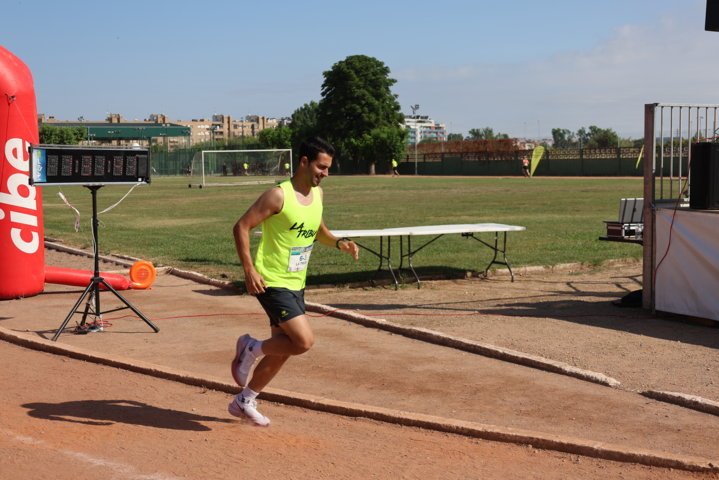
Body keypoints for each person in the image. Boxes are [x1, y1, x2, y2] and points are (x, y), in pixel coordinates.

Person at [230, 137, 359, 426]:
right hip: (271, 280)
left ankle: (245, 400)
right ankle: (250, 348)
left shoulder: (318, 195)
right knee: (303, 341)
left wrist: (339, 243)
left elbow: (318, 231)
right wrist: (249, 270)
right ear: (303, 162)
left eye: (328, 168)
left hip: (296, 282)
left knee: (283, 348)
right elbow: (241, 226)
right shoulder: (278, 196)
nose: (326, 173)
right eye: (321, 167)